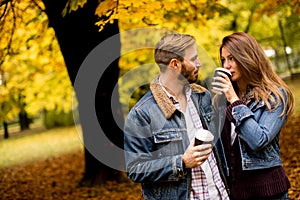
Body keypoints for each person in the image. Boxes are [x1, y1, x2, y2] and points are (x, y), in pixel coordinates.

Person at [124, 33, 229, 199]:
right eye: (194, 59)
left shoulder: (202, 97)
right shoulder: (142, 114)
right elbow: (135, 169)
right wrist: (181, 162)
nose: (199, 63)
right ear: (175, 64)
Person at [211, 32, 295, 200]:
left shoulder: (275, 95)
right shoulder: (223, 98)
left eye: (232, 58)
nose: (226, 65)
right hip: (236, 192)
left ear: (247, 57)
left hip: (268, 192)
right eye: (223, 60)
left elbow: (259, 140)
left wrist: (234, 100)